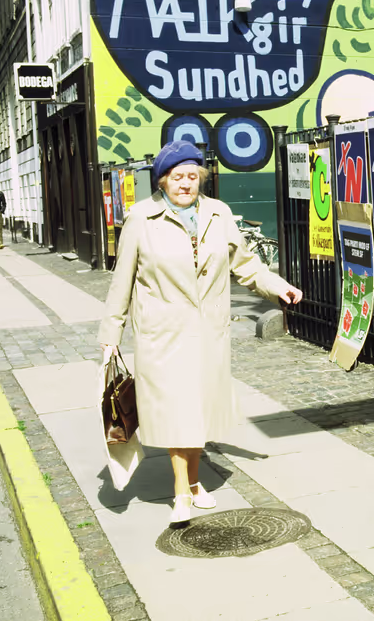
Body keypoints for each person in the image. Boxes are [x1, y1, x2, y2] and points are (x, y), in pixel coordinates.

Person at [98, 141, 303, 525]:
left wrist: (277, 287)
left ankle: (192, 483)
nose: (186, 184)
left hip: (208, 333)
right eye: (178, 177)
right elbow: (121, 281)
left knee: (197, 414)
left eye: (193, 176)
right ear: (162, 181)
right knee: (179, 412)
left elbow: (245, 265)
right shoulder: (142, 218)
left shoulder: (218, 213)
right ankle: (181, 493)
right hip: (163, 335)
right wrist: (112, 333)